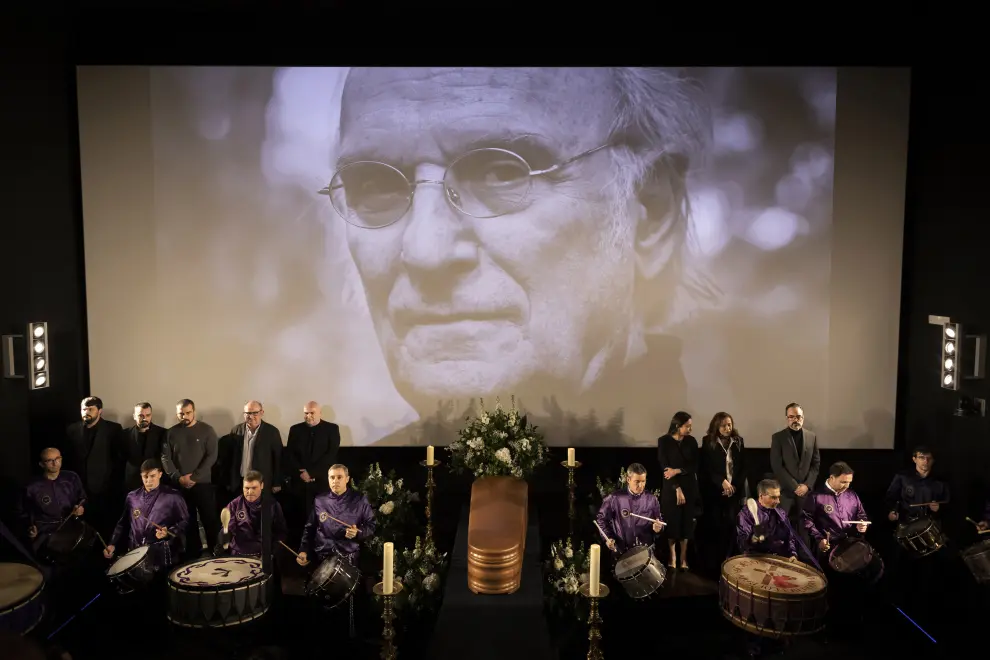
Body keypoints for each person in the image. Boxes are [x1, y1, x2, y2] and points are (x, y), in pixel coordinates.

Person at [161, 399, 220, 559]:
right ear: (177, 414)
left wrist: (195, 477)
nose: (184, 416)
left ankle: (217, 552)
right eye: (181, 413)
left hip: (202, 484)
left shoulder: (207, 430)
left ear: (194, 411)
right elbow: (165, 458)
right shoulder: (171, 433)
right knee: (188, 521)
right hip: (180, 485)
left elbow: (211, 456)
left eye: (188, 413)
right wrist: (178, 478)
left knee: (209, 519)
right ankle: (194, 554)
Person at [105, 460, 189, 571]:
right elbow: (123, 523)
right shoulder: (132, 497)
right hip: (135, 553)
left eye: (152, 476)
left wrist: (168, 531)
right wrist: (112, 543)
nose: (149, 480)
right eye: (145, 477)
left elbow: (184, 521)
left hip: (161, 553)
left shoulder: (173, 496)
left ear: (160, 474)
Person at [64, 396, 123, 537]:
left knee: (104, 528)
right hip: (79, 490)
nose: (86, 412)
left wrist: (111, 485)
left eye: (90, 409)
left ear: (100, 411)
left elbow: (118, 460)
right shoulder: (72, 429)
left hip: (104, 489)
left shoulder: (113, 429)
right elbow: (69, 458)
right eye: (83, 409)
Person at [296, 464, 375, 568]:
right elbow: (310, 528)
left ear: (347, 479)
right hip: (322, 556)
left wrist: (357, 532)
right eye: (332, 477)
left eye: (339, 477)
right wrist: (303, 550)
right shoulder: (320, 500)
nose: (335, 481)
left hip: (348, 557)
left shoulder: (359, 500)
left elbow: (371, 526)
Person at [698, 412, 746, 576]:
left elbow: (742, 468)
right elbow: (706, 469)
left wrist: (733, 487)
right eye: (724, 425)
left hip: (733, 492)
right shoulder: (708, 442)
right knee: (715, 527)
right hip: (714, 493)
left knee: (732, 526)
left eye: (729, 425)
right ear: (717, 426)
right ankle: (714, 567)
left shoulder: (738, 441)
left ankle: (731, 564)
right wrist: (722, 482)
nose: (727, 428)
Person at [215, 470, 288, 575]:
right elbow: (228, 530)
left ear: (262, 485)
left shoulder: (272, 505)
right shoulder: (234, 505)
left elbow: (281, 532)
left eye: (254, 488)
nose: (249, 492)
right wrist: (223, 537)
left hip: (264, 555)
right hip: (239, 556)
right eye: (246, 488)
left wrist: (271, 553)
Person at [284, 401, 340, 534]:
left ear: (320, 413)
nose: (308, 415)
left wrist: (312, 473)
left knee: (322, 520)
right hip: (300, 484)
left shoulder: (331, 429)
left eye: (312, 412)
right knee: (300, 522)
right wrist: (302, 474)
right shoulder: (295, 429)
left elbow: (331, 455)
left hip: (321, 484)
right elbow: (290, 454)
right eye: (306, 413)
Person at [18, 448, 86, 554]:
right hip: (45, 533)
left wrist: (80, 507)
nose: (55, 463)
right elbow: (22, 512)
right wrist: (30, 526)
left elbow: (82, 498)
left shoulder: (71, 477)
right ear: (41, 464)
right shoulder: (31, 487)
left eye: (57, 459)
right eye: (49, 460)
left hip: (70, 528)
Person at [657, 411, 700, 571]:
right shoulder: (664, 441)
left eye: (690, 426)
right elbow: (664, 467)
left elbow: (694, 465)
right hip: (670, 488)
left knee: (686, 524)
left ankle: (683, 557)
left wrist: (678, 471)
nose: (690, 429)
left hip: (689, 486)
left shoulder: (692, 442)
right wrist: (676, 488)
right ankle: (672, 556)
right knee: (672, 522)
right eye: (687, 426)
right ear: (677, 426)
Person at [770, 403, 821, 532]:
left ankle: (804, 553)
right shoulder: (778, 437)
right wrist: (795, 486)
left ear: (803, 418)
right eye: (791, 417)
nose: (795, 420)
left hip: (806, 493)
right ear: (787, 418)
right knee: (782, 529)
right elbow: (777, 465)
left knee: (805, 529)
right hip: (785, 492)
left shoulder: (812, 437)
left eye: (798, 417)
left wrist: (806, 485)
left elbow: (816, 464)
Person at [219, 400, 283, 502]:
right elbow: (229, 458)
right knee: (241, 513)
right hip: (240, 482)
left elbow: (278, 458)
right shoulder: (236, 430)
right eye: (248, 413)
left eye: (255, 413)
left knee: (260, 513)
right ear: (244, 414)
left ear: (262, 413)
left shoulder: (272, 432)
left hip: (261, 483)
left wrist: (277, 482)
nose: (251, 416)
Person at [595, 463, 665, 556]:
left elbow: (659, 521)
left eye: (643, 481)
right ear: (628, 479)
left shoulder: (652, 499)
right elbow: (601, 519)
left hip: (645, 552)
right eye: (637, 481)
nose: (641, 485)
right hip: (622, 552)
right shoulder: (615, 498)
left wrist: (658, 528)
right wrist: (608, 538)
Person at [802, 461, 869, 557]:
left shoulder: (852, 495)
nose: (847, 486)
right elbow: (806, 520)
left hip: (851, 547)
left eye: (849, 482)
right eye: (843, 482)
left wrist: (862, 524)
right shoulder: (816, 496)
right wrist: (819, 539)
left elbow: (861, 514)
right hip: (828, 548)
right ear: (832, 478)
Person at [736, 479, 800, 562]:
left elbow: (790, 537)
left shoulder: (781, 513)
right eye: (773, 497)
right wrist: (752, 539)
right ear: (761, 496)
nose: (778, 501)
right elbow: (742, 542)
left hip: (777, 559)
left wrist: (793, 554)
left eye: (778, 497)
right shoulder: (746, 514)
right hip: (755, 560)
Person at [885, 446, 949, 523]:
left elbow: (948, 503)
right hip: (907, 522)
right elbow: (891, 498)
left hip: (931, 523)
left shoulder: (940, 481)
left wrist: (939, 508)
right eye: (922, 458)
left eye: (929, 458)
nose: (926, 461)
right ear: (914, 459)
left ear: (933, 460)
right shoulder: (902, 477)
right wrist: (892, 511)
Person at [121, 402, 168, 491]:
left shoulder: (163, 433)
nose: (144, 418)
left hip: (156, 481)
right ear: (134, 416)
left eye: (148, 415)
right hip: (132, 482)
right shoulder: (125, 434)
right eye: (141, 415)